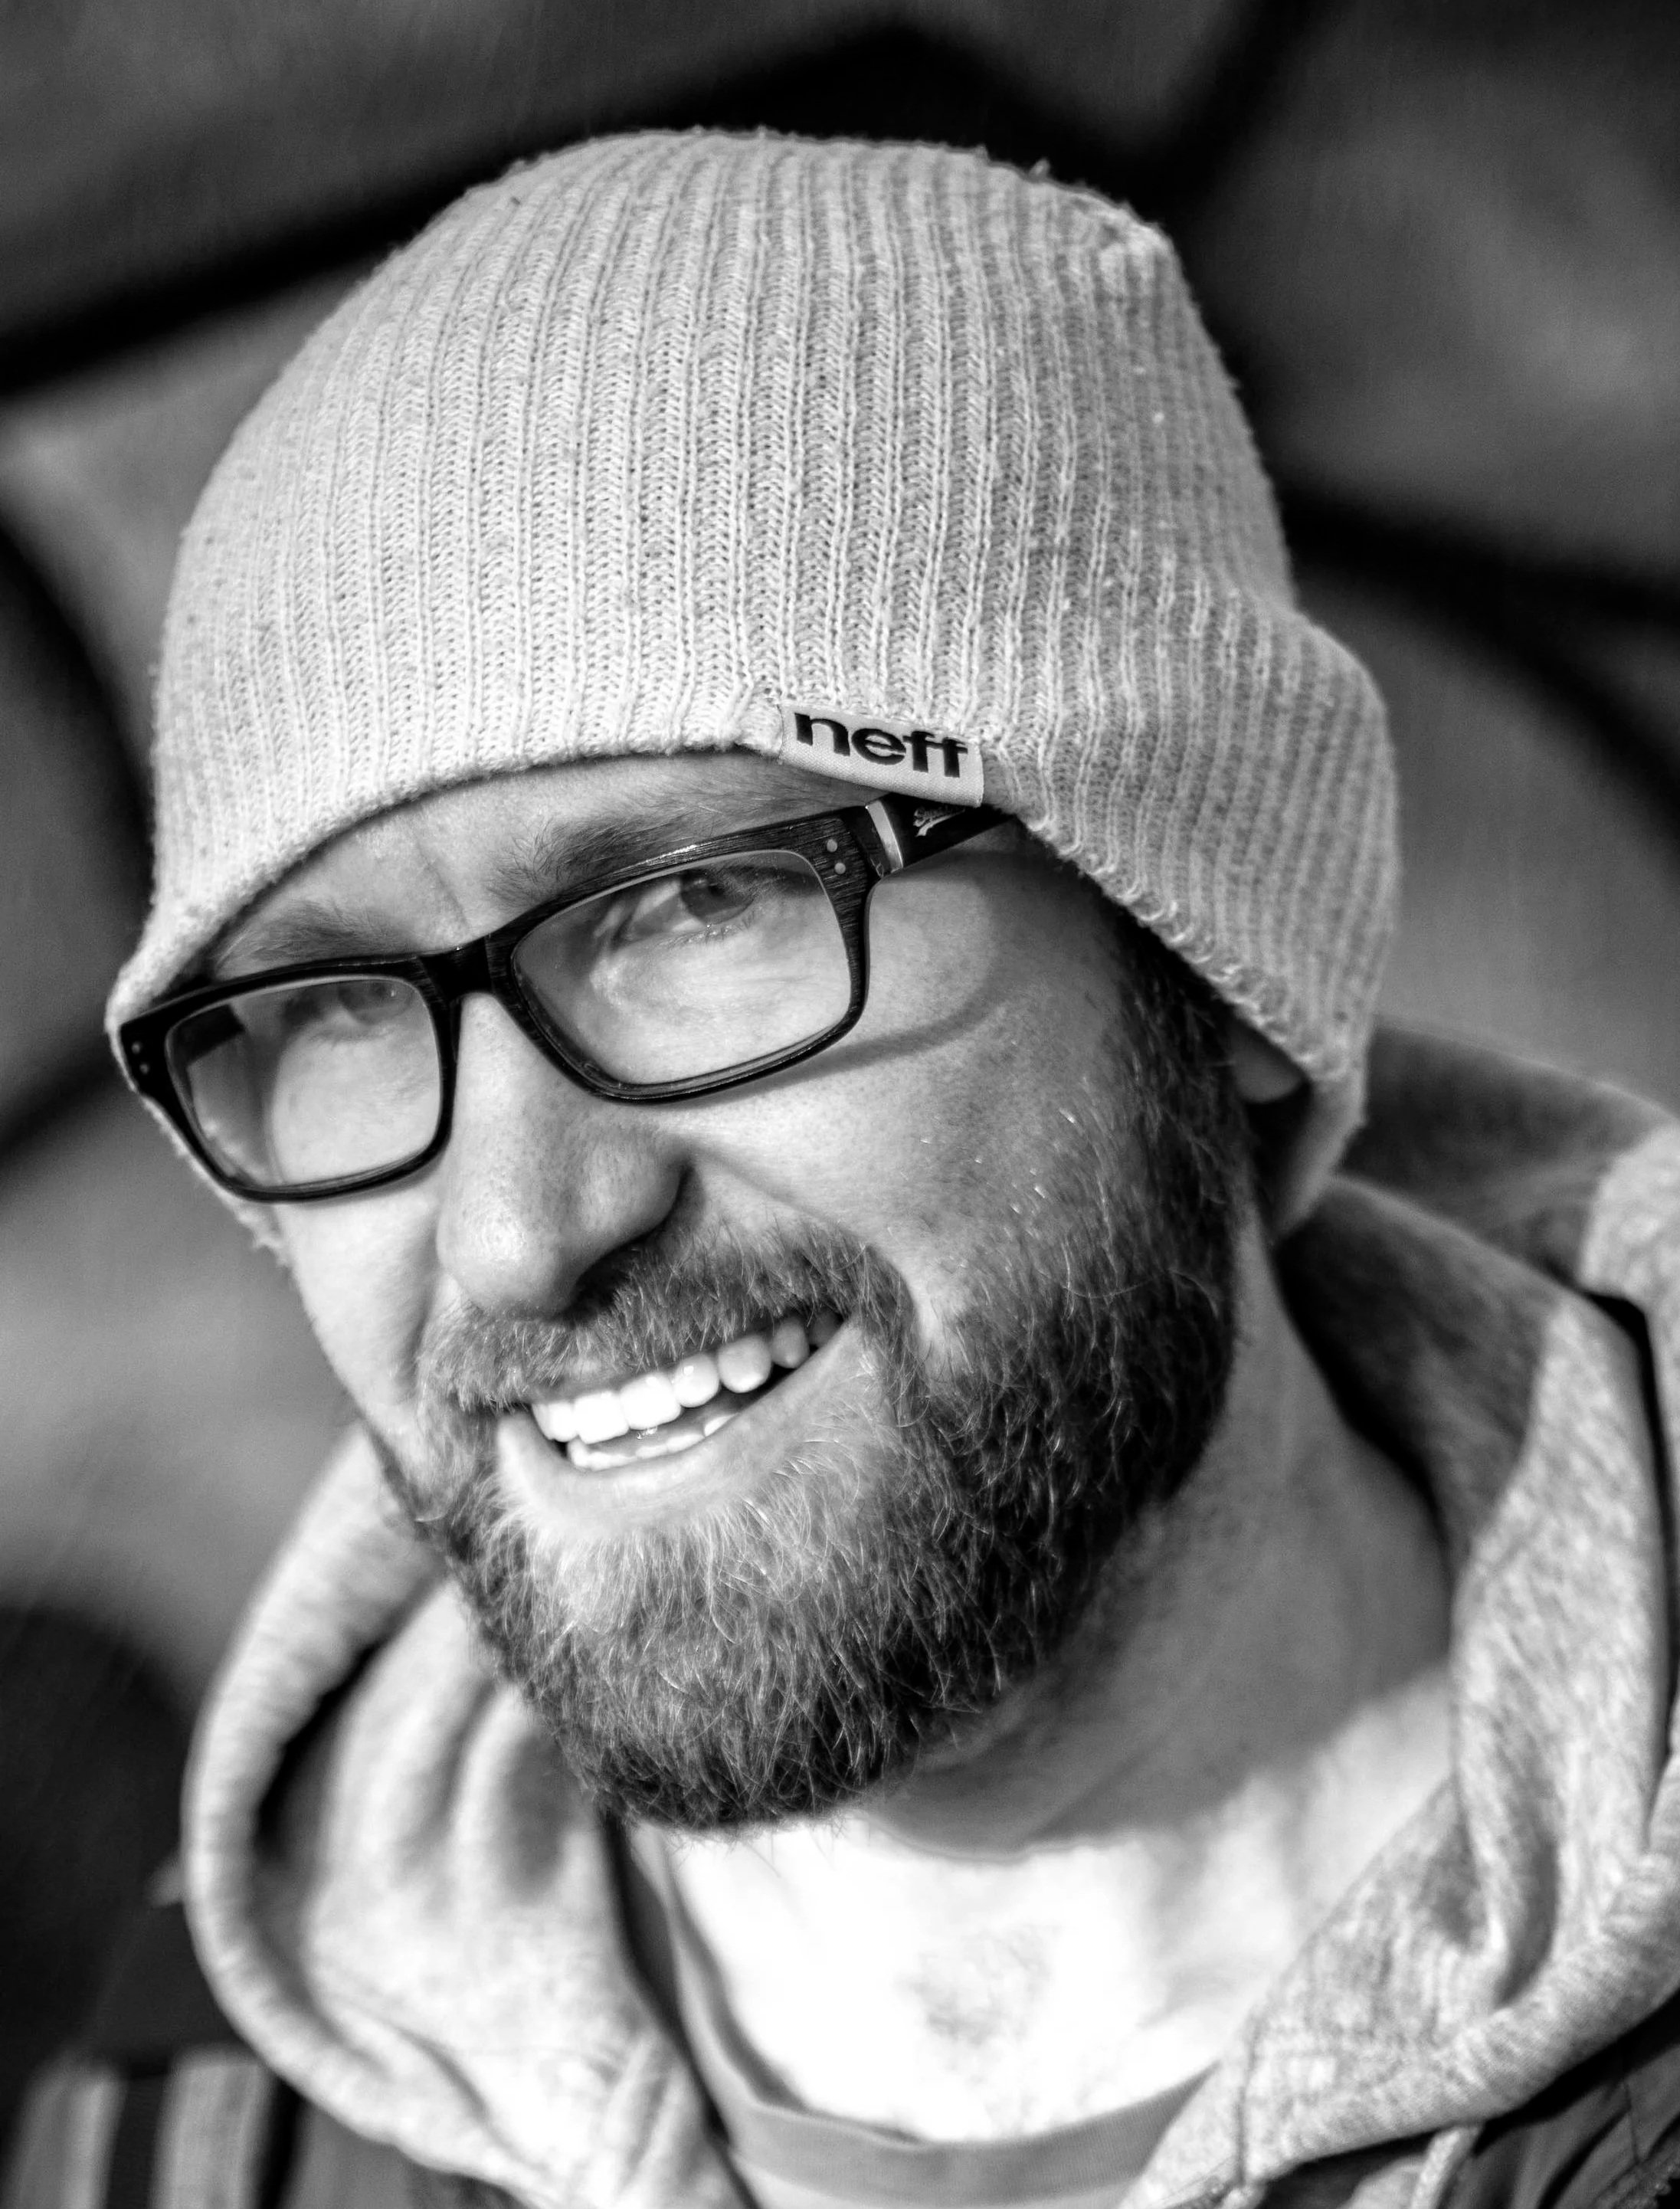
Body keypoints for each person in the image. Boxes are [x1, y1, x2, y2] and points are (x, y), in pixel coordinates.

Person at [8, 131, 1679, 2209]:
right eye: (334, 1008)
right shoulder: (191, 2140)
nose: (526, 1229)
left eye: (704, 902)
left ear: (1220, 940)